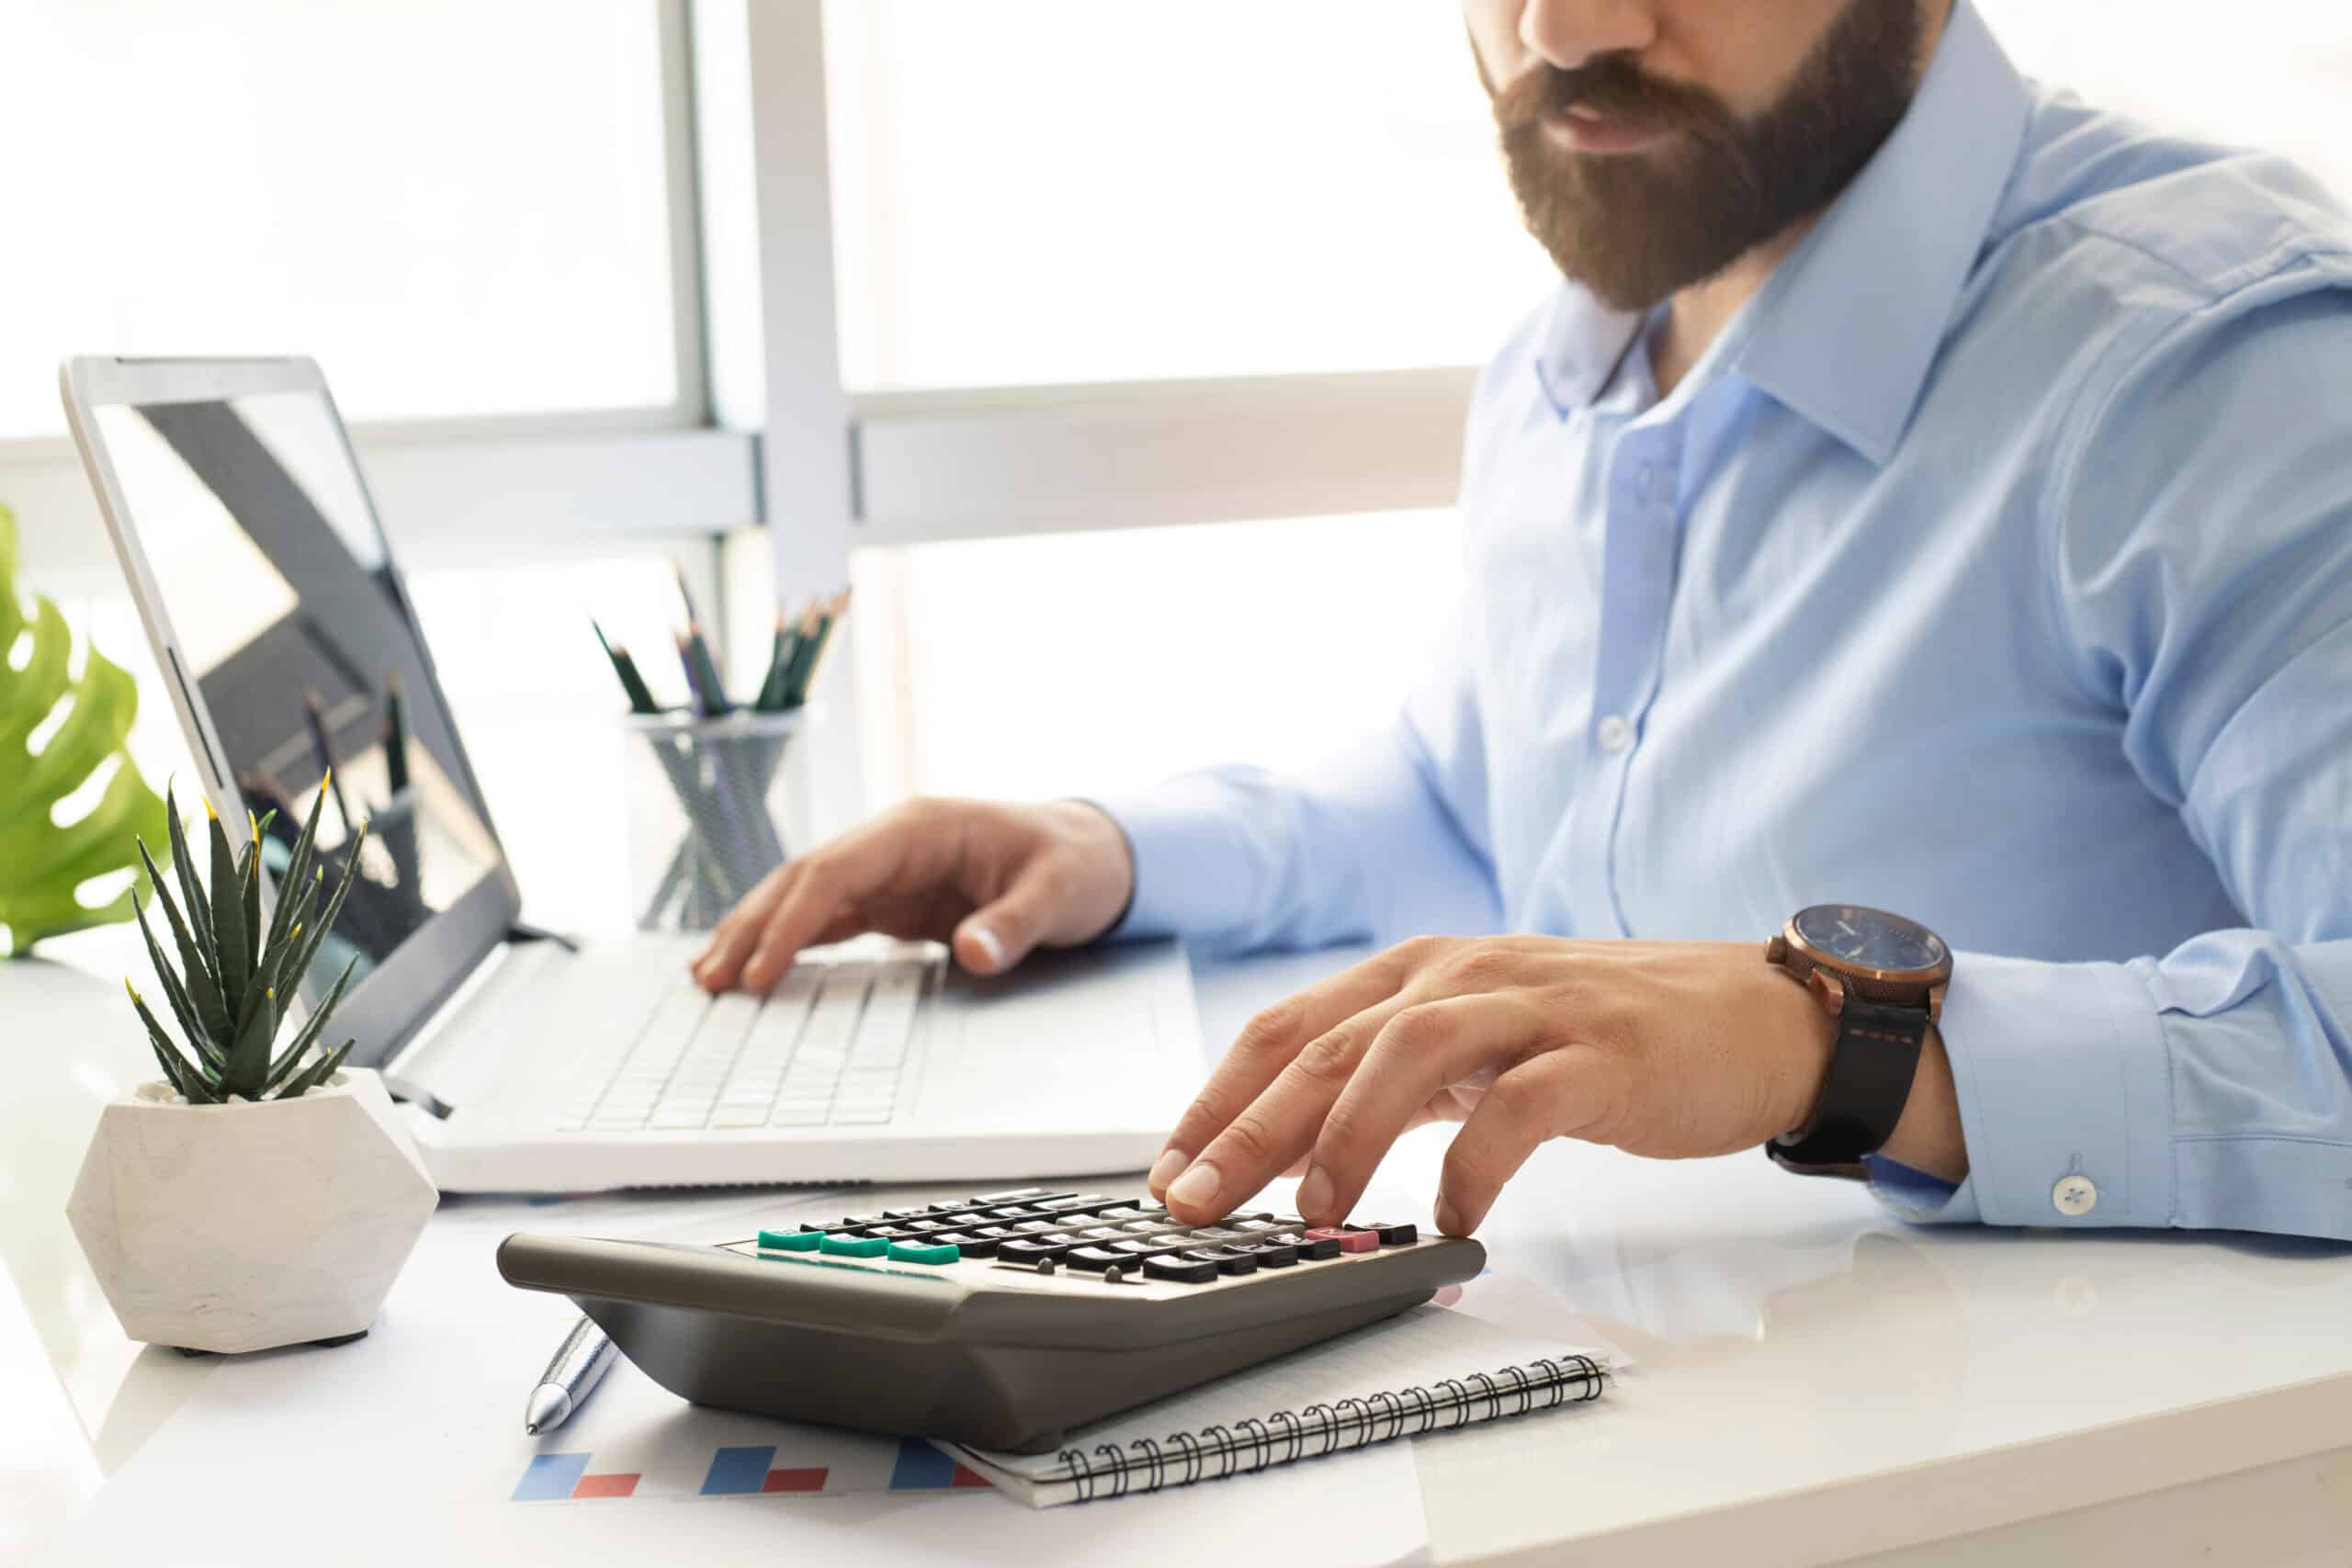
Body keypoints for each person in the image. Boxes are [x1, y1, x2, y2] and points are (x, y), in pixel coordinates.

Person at [696, 0, 2352, 1244]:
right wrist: (1109, 852)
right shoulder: (1586, 347)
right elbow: (1490, 801)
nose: (1565, 28)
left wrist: (1832, 1047)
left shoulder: (2225, 372)